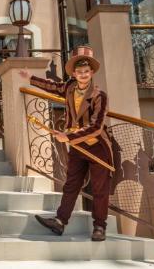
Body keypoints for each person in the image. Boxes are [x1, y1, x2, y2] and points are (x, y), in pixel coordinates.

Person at [28, 44, 113, 242]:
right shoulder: (69, 88)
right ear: (74, 73)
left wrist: (69, 137)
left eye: (86, 71)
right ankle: (60, 221)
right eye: (79, 72)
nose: (83, 75)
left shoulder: (100, 96)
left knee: (100, 189)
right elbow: (52, 86)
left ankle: (100, 226)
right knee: (71, 184)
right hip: (77, 148)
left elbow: (97, 126)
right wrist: (30, 78)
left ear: (91, 72)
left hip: (98, 148)